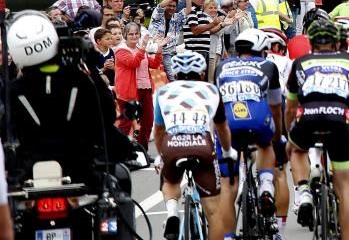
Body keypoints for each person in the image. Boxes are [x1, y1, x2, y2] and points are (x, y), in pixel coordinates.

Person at [8, 13, 135, 191]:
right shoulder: (80, 80)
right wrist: (90, 63)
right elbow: (106, 115)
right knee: (118, 185)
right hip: (80, 170)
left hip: (28, 174)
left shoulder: (12, 91)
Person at [285, 19, 349, 240]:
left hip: (308, 118)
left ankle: (303, 190)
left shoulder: (301, 62)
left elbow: (290, 108)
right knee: (344, 187)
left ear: (311, 43)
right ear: (337, 42)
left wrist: (290, 135)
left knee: (296, 150)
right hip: (340, 120)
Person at [154, 52, 237, 240]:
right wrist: (227, 151)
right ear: (201, 73)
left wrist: (161, 156)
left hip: (173, 144)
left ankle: (172, 213)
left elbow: (158, 131)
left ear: (174, 73)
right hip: (202, 145)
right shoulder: (212, 90)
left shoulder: (163, 92)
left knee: (170, 181)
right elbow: (222, 129)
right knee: (214, 213)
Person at [215, 29, 283, 232]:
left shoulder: (221, 67)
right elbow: (276, 106)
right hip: (258, 121)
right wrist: (277, 136)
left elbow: (216, 105)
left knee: (228, 187)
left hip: (228, 125)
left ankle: (227, 236)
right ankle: (265, 184)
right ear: (261, 49)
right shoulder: (268, 65)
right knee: (265, 144)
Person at [114, 22, 164, 149]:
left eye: (136, 34)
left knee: (148, 121)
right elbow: (133, 63)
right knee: (126, 122)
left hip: (145, 88)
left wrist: (159, 49)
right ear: (125, 35)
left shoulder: (140, 49)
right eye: (131, 34)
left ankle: (143, 149)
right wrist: (142, 47)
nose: (134, 36)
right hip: (129, 90)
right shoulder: (121, 50)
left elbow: (153, 64)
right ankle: (122, 151)